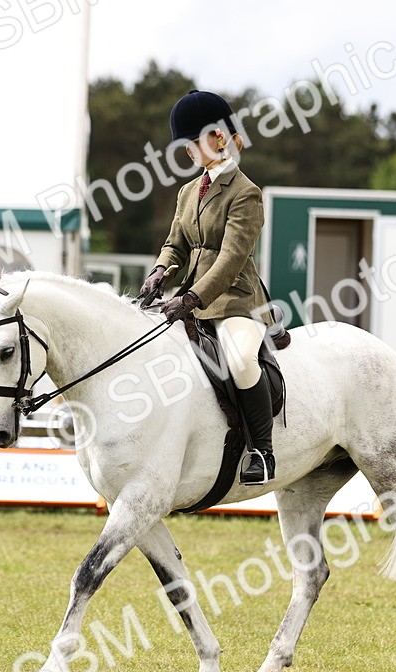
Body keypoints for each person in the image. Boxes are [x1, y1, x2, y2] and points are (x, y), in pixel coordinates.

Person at [141, 89, 277, 485]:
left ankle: (262, 452)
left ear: (217, 137)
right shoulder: (188, 192)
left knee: (239, 361)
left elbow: (232, 258)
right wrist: (160, 271)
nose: (185, 152)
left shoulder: (245, 193)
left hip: (235, 302)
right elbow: (176, 244)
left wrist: (192, 297)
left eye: (190, 143)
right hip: (190, 300)